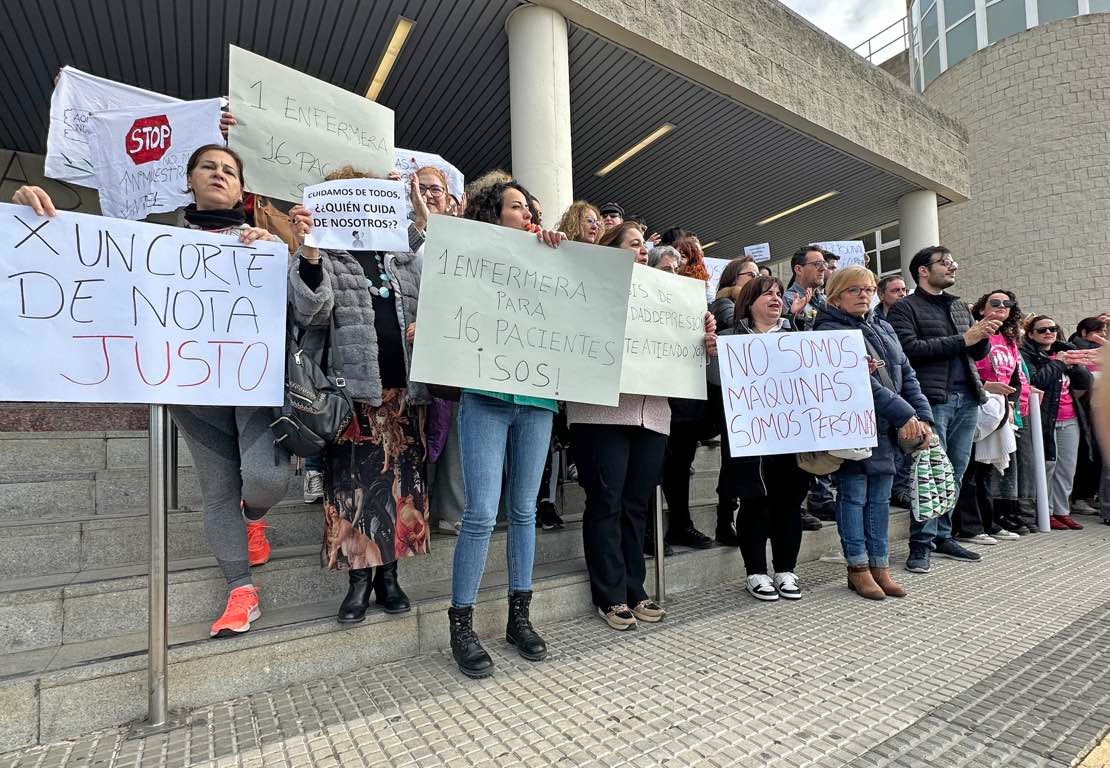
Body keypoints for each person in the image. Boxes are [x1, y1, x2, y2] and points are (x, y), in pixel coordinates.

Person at [15, 144, 294, 638]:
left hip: (254, 386)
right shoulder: (154, 241)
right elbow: (89, 263)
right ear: (189, 180)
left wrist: (280, 254)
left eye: (229, 170)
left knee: (266, 479)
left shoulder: (265, 242)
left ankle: (254, 517)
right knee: (216, 491)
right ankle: (240, 589)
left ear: (242, 188)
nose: (219, 174)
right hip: (191, 391)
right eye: (208, 167)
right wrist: (31, 217)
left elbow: (308, 309)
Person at [286, 167, 430, 625]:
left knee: (401, 484)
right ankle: (358, 580)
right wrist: (308, 247)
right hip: (353, 394)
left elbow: (437, 284)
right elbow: (311, 309)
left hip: (402, 390)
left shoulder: (400, 255)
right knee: (352, 487)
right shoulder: (329, 254)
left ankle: (389, 576)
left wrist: (422, 221)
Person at [571, 225, 717, 629]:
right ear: (608, 250)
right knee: (606, 501)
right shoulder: (588, 290)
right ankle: (610, 594)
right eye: (633, 244)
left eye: (642, 245)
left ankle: (635, 588)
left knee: (636, 505)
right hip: (600, 413)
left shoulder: (669, 299)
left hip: (653, 415)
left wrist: (702, 346)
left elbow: (682, 363)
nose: (642, 251)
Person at [448, 180, 566, 678]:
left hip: (537, 399)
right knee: (479, 513)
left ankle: (520, 615)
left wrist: (562, 259)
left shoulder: (548, 259)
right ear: (493, 216)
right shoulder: (470, 255)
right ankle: (462, 624)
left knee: (522, 511)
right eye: (516, 206)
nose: (526, 213)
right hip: (485, 398)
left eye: (529, 207)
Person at [814, 266, 932, 599]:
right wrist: (905, 414)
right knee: (853, 498)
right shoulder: (828, 329)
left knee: (879, 500)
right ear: (836, 294)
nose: (863, 294)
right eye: (854, 290)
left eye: (867, 289)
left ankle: (880, 566)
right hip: (852, 429)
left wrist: (923, 415)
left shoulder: (883, 327)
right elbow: (860, 384)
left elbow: (906, 374)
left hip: (887, 429)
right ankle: (858, 568)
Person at [888, 246, 997, 572]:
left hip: (968, 399)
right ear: (923, 270)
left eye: (953, 261)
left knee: (955, 473)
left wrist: (983, 336)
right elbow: (909, 350)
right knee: (929, 473)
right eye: (944, 263)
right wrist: (966, 338)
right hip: (934, 400)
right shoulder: (904, 308)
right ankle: (920, 544)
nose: (953, 267)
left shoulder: (958, 305)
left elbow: (975, 355)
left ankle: (943, 536)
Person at [711, 276, 812, 601]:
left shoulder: (799, 338)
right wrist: (710, 355)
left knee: (788, 502)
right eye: (767, 293)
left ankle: (785, 570)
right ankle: (755, 572)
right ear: (750, 300)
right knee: (755, 501)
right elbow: (714, 382)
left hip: (790, 436)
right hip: (749, 437)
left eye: (779, 294)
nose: (775, 298)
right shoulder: (729, 339)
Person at [959, 291, 1035, 538]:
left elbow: (1015, 378)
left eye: (1007, 304)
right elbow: (961, 366)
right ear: (981, 309)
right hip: (974, 403)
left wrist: (1011, 405)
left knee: (987, 468)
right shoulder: (974, 332)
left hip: (999, 409)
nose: (1002, 306)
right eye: (995, 303)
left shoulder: (1010, 339)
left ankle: (990, 524)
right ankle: (970, 527)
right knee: (969, 468)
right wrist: (984, 385)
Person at [1021, 315, 1093, 530]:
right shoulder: (1029, 355)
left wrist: (1072, 359)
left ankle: (1063, 510)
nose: (1048, 333)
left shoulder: (1062, 352)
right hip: (1045, 418)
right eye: (1042, 330)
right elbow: (1036, 381)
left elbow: (1085, 381)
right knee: (1047, 466)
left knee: (1067, 468)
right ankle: (1047, 511)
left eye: (1052, 329)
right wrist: (1060, 363)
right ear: (1032, 334)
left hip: (1069, 417)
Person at [782, 246, 833, 526]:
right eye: (816, 264)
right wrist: (793, 315)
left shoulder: (824, 301)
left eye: (824, 263)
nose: (823, 268)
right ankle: (798, 506)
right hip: (797, 387)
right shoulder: (787, 300)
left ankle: (821, 497)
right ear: (798, 269)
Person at [1067, 317, 1107, 514]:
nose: (1104, 335)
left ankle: (1091, 496)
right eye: (1100, 330)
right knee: (1089, 455)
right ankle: (1081, 497)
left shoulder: (1100, 350)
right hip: (1087, 411)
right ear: (1084, 332)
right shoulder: (1079, 351)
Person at [709, 257, 760, 330]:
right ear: (734, 278)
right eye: (752, 274)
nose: (757, 279)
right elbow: (738, 328)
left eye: (759, 276)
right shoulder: (724, 304)